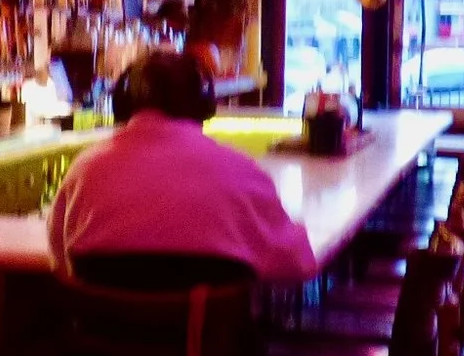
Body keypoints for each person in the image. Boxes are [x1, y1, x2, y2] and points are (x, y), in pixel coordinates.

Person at [46, 49, 315, 283]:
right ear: (205, 105)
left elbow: (59, 259)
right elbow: (298, 263)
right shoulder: (241, 171)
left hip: (100, 339)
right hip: (209, 340)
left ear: (123, 104)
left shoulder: (85, 171)